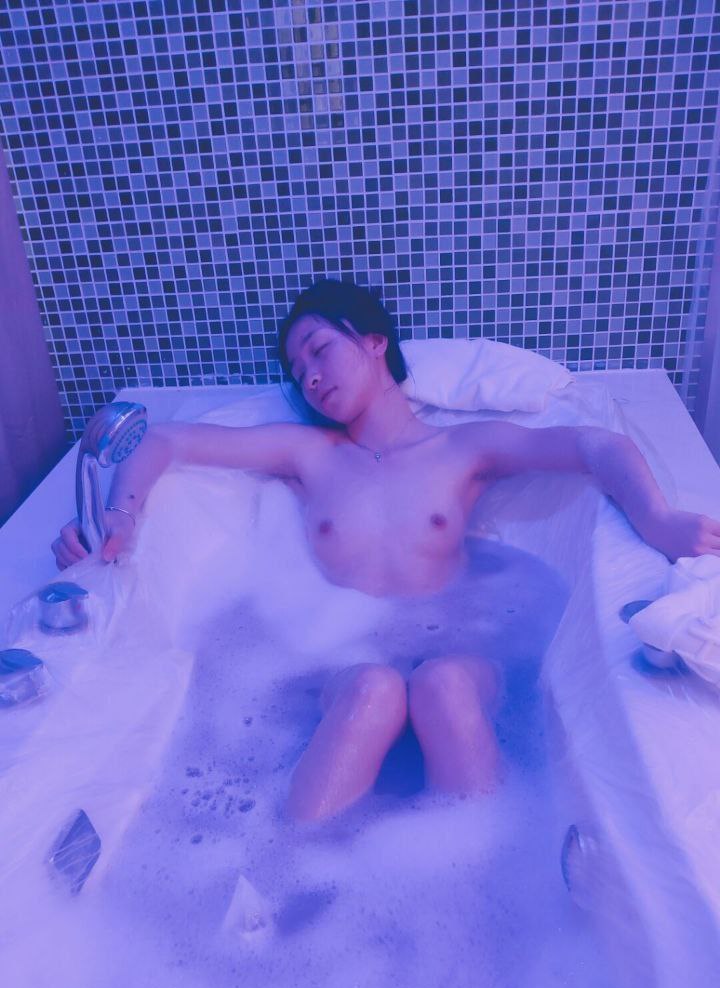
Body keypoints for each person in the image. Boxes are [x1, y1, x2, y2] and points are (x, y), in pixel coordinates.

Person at [52, 278, 720, 823]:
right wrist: (121, 517)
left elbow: (594, 444)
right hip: (342, 660)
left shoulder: (462, 448)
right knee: (374, 689)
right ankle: (281, 891)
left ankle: (473, 888)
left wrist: (657, 519)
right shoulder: (310, 454)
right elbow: (162, 439)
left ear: (375, 342)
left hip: (461, 649)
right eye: (297, 371)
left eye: (319, 350)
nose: (310, 377)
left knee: (442, 685)